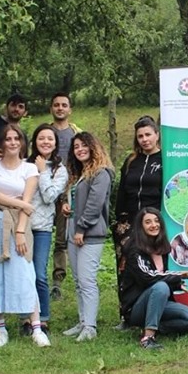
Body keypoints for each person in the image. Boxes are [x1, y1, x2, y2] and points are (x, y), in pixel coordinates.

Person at [0, 124, 46, 348]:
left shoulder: (29, 168)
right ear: (2, 142)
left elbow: (27, 202)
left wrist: (20, 231)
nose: (12, 143)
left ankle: (36, 327)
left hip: (19, 223)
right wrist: (19, 203)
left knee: (25, 273)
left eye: (16, 138)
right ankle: (1, 329)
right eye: (8, 139)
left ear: (22, 142)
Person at [118, 208, 188, 349]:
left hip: (158, 302)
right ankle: (148, 338)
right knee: (161, 287)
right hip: (136, 308)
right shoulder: (134, 250)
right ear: (140, 226)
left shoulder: (161, 247)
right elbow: (147, 277)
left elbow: (160, 274)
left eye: (157, 221)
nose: (154, 225)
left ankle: (155, 327)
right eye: (148, 222)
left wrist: (176, 285)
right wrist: (176, 276)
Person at [61, 131, 114, 342]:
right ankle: (83, 321)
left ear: (93, 147)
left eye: (84, 145)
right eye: (76, 147)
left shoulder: (101, 173)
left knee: (87, 280)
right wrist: (67, 206)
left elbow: (95, 204)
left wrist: (81, 228)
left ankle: (90, 327)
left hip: (89, 234)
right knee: (77, 281)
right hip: (73, 232)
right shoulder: (79, 174)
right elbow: (77, 201)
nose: (80, 149)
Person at [112, 116, 163, 314]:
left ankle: (153, 310)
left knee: (151, 266)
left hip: (154, 221)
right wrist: (119, 219)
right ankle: (126, 312)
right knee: (125, 266)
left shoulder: (165, 160)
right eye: (140, 136)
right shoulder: (131, 161)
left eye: (148, 134)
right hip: (129, 222)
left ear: (157, 135)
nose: (144, 139)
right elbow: (122, 191)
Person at [27, 123, 69, 338]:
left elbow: (50, 196)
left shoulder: (59, 170)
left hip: (42, 227)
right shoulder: (24, 165)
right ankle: (26, 318)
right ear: (34, 141)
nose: (45, 142)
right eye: (41, 138)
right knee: (23, 274)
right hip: (22, 226)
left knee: (40, 274)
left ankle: (42, 318)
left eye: (50, 139)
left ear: (55, 143)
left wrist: (43, 171)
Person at [49, 92, 81, 300]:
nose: (60, 108)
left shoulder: (76, 133)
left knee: (62, 239)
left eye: (64, 105)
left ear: (70, 109)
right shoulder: (45, 132)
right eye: (56, 105)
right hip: (44, 191)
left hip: (66, 192)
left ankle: (57, 282)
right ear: (51, 108)